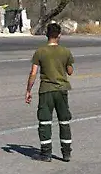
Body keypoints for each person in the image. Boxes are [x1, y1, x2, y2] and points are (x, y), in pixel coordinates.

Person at [25, 22, 75, 162]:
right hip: (61, 90)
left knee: (45, 122)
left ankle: (46, 153)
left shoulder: (40, 52)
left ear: (47, 35)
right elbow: (70, 71)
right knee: (64, 121)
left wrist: (28, 90)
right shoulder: (65, 51)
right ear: (59, 35)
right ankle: (66, 153)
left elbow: (33, 73)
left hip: (46, 90)